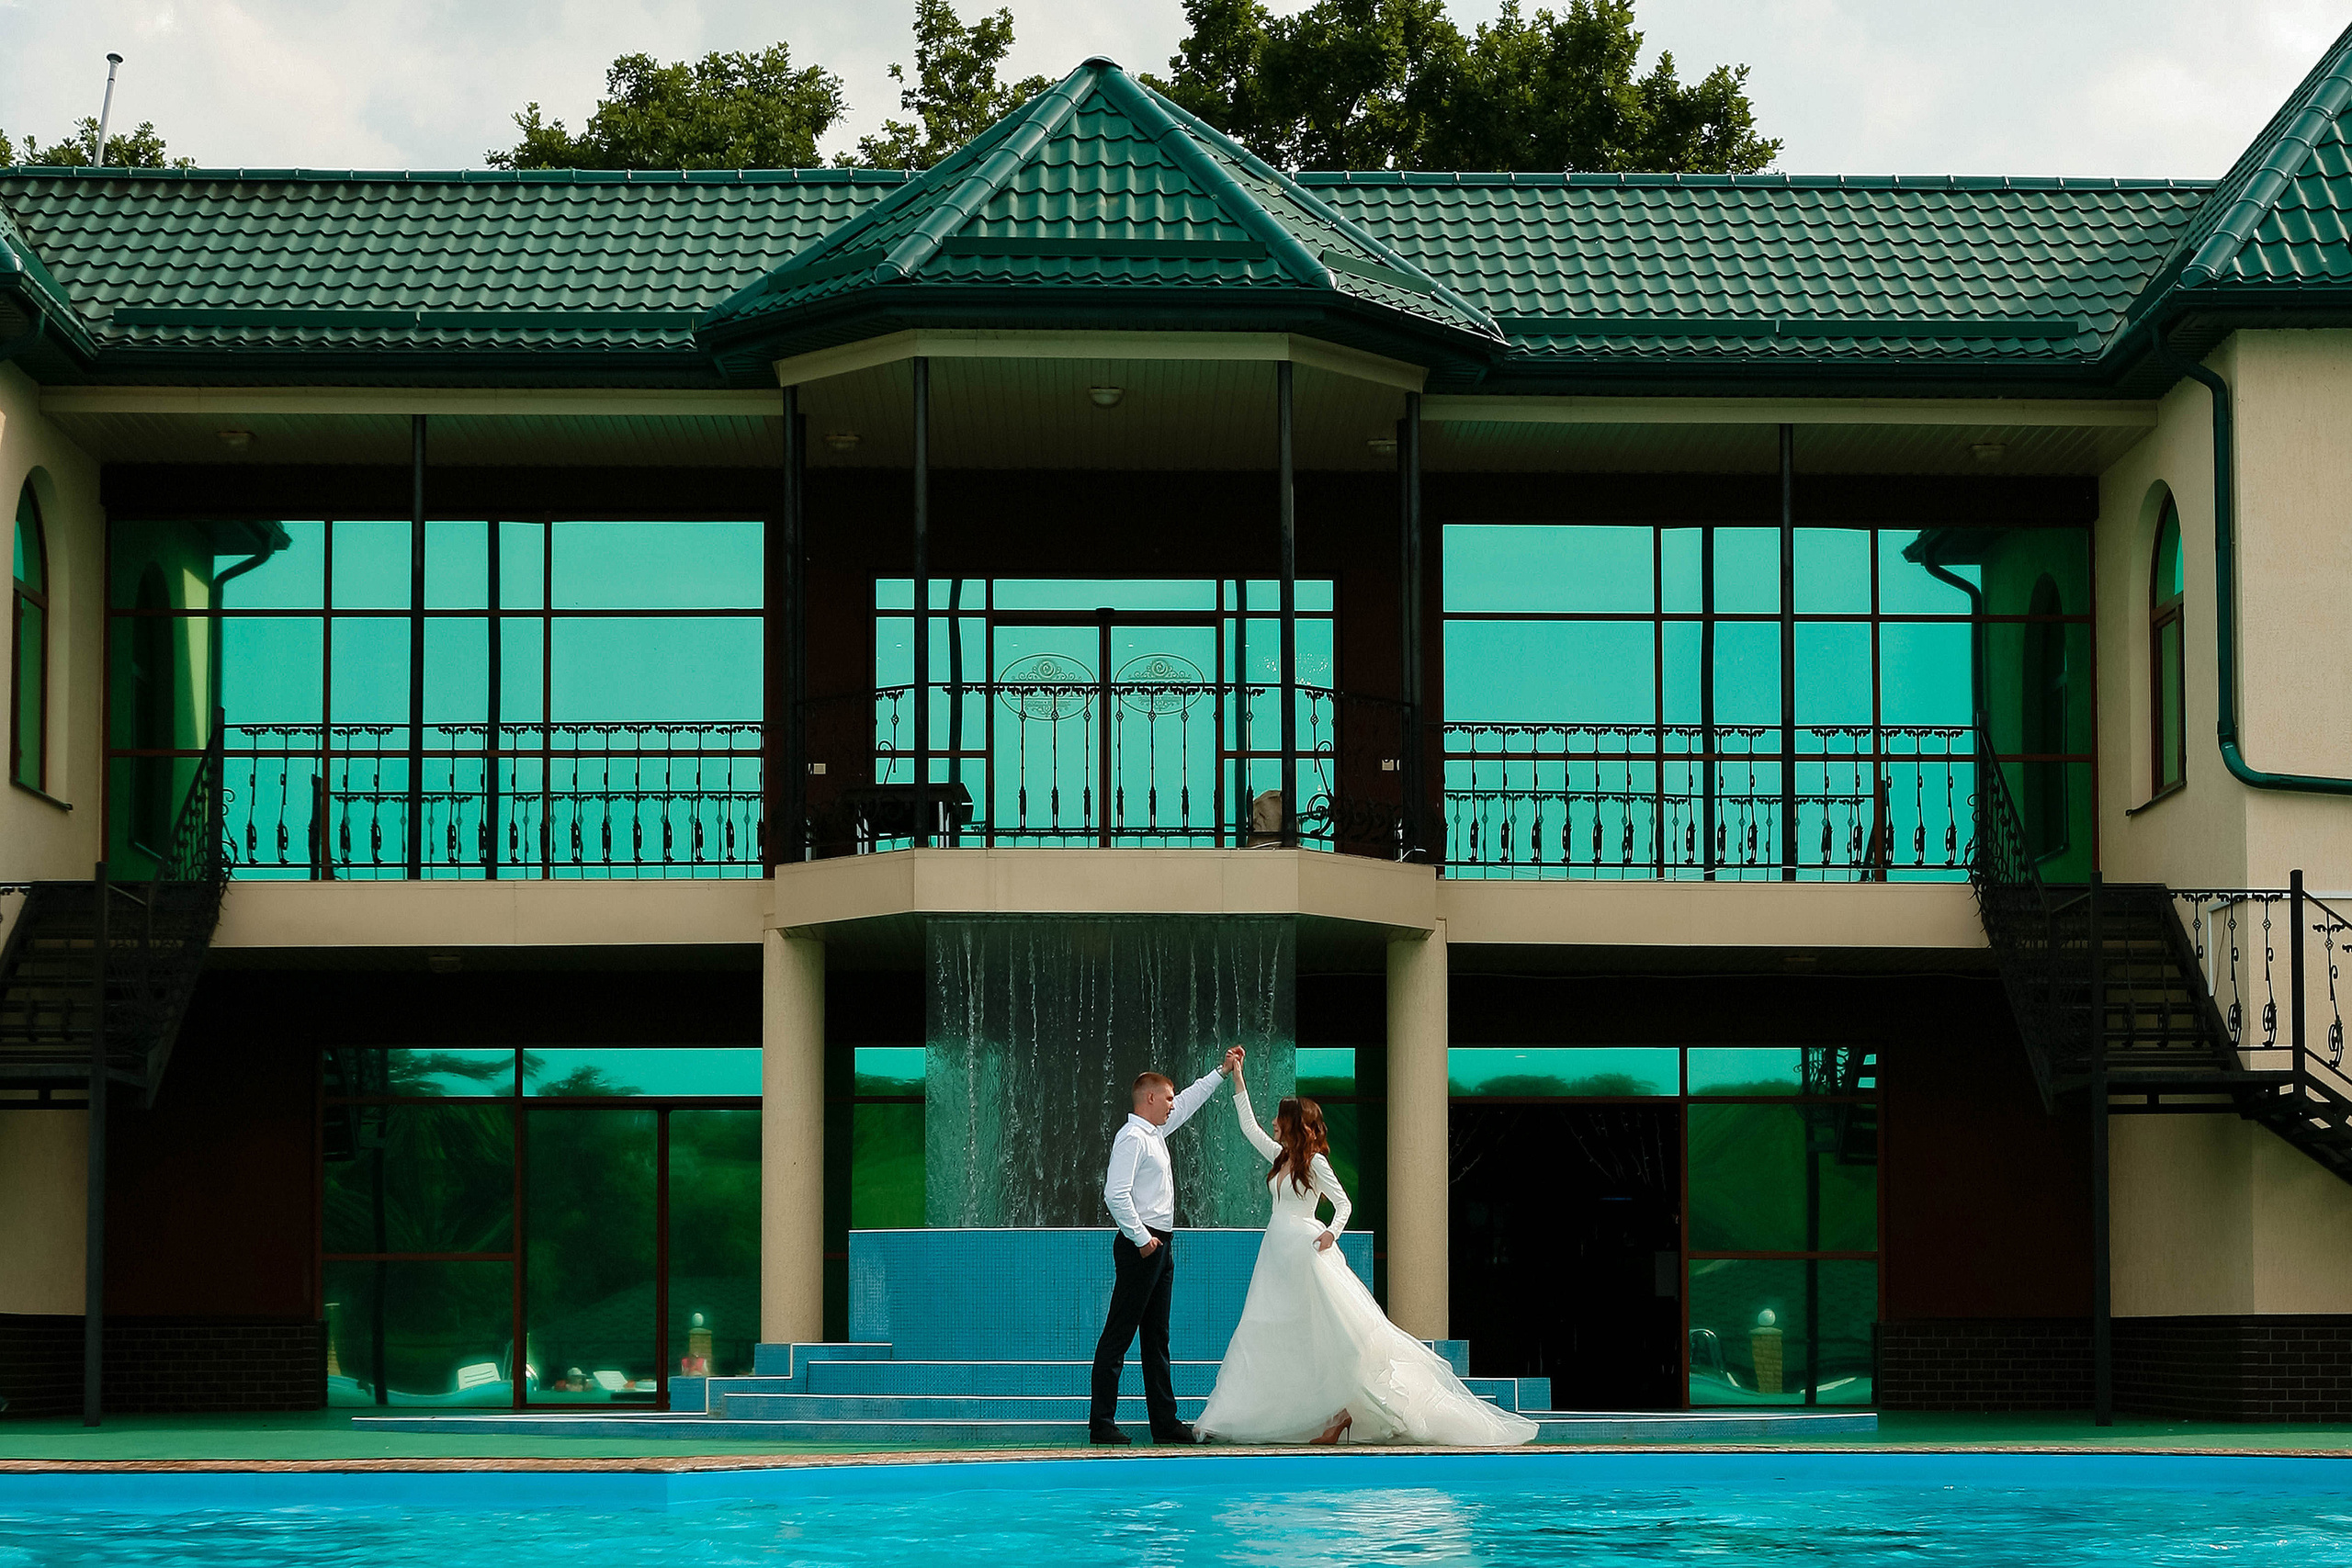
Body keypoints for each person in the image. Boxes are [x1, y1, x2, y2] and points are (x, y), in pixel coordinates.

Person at [1195, 1060, 1541, 1447]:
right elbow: (1248, 1128)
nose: (1274, 1123)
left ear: (1295, 1123)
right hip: (1276, 1258)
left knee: (1335, 1336)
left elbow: (1343, 1204)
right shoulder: (1280, 1158)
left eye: (1279, 1118)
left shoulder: (1316, 1163)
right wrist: (1238, 1076)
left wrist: (1330, 1233)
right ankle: (1324, 1415)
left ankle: (1348, 1413)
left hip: (1306, 1254)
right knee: (1277, 1333)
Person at [1089, 1046, 1243, 1446]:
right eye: (1169, 1098)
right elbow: (1115, 1195)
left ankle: (1164, 1423)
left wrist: (1221, 1073)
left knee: (1157, 1338)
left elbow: (1190, 1100)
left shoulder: (1155, 1133)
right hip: (1142, 1245)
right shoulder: (1132, 1138)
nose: (1174, 1104)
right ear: (1151, 1098)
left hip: (1161, 1245)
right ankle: (1101, 1424)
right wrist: (1142, 1240)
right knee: (1119, 1335)